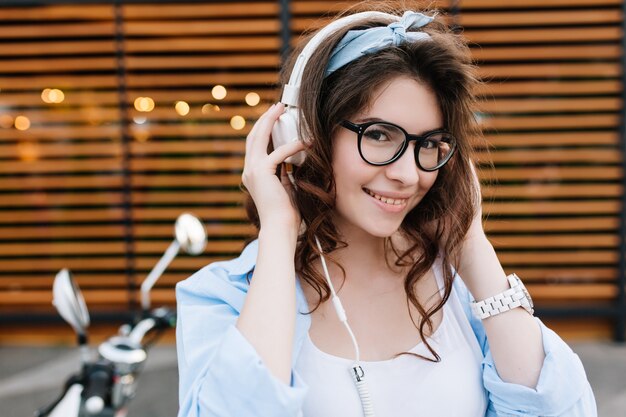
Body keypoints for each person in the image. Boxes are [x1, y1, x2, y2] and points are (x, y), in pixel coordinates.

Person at [176, 5, 597, 417]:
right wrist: (279, 232)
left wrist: (471, 244)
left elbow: (562, 410)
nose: (408, 174)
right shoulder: (225, 298)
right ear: (305, 135)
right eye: (379, 135)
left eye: (429, 144)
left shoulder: (460, 289)